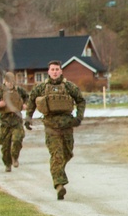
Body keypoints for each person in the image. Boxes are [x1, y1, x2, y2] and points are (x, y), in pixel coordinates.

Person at [25, 61, 86, 200]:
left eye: (57, 69)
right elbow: (31, 102)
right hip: (51, 127)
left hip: (67, 126)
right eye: (52, 69)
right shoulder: (40, 88)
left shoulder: (69, 87)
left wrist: (79, 117)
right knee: (56, 155)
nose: (54, 72)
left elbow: (81, 100)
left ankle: (57, 170)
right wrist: (28, 118)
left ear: (61, 71)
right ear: (48, 71)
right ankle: (59, 185)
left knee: (67, 153)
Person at [0, 71, 30, 173]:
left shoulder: (19, 91)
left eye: (12, 81)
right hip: (5, 122)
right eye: (8, 81)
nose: (10, 83)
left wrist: (25, 105)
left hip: (17, 121)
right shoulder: (0, 92)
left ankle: (15, 157)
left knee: (17, 139)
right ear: (4, 81)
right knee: (5, 147)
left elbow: (28, 97)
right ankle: (7, 164)